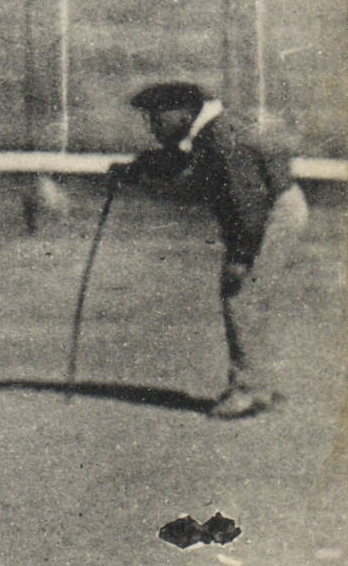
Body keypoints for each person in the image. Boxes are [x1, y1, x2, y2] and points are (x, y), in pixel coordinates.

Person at [111, 82, 310, 419]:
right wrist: (138, 169)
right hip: (273, 208)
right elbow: (188, 166)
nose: (153, 127)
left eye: (158, 118)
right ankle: (259, 386)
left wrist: (241, 256)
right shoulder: (212, 131)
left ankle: (247, 391)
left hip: (271, 215)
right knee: (248, 298)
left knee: (240, 296)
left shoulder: (221, 139)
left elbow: (247, 202)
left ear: (183, 114)